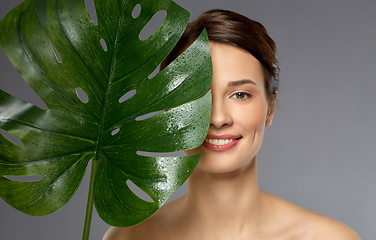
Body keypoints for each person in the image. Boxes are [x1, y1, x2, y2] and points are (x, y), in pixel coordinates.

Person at [103, 9, 360, 240]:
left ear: (270, 107)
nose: (217, 118)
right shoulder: (128, 238)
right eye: (195, 94)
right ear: (168, 108)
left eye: (240, 95)